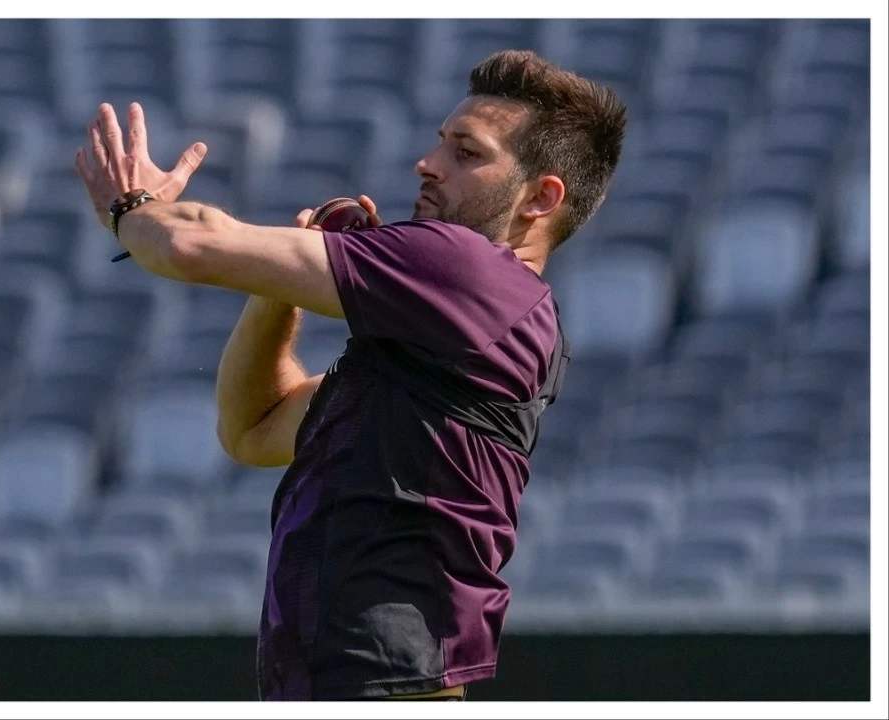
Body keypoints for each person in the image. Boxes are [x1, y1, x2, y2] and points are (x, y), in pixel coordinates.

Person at [75, 49, 626, 701]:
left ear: (541, 197)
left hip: (386, 681)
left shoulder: (468, 269)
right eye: (439, 143)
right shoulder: (451, 328)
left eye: (466, 153)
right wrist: (279, 289)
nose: (429, 163)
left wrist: (131, 208)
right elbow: (253, 427)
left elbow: (188, 243)